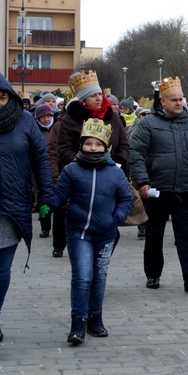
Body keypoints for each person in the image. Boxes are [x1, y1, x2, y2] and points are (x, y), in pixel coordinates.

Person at [49, 119, 132, 344]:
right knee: (83, 276)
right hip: (79, 232)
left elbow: (126, 199)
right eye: (88, 144)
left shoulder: (115, 172)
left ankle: (96, 318)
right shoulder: (72, 170)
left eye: (98, 144)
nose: (93, 148)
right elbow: (58, 196)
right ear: (81, 145)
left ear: (106, 147)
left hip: (105, 234)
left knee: (99, 277)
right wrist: (47, 203)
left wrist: (115, 219)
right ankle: (78, 321)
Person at [0, 69, 54, 354]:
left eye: (1, 97)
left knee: (3, 269)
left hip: (15, 206)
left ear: (10, 97)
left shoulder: (25, 121)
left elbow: (40, 158)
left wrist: (46, 196)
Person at [130, 77, 188, 293]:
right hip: (157, 189)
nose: (178, 103)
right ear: (162, 101)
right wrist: (142, 182)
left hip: (185, 189)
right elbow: (136, 153)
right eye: (173, 99)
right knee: (154, 234)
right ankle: (153, 274)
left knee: (185, 235)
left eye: (180, 99)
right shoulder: (148, 124)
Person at [55, 71, 130, 258]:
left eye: (99, 94)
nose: (99, 98)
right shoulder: (70, 120)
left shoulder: (112, 117)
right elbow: (63, 149)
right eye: (93, 95)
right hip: (82, 176)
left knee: (109, 225)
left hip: (110, 175)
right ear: (82, 100)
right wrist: (80, 165)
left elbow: (123, 144)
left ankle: (100, 258)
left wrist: (119, 162)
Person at [34, 104, 56, 239]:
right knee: (44, 200)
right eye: (43, 117)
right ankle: (45, 227)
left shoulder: (57, 129)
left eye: (48, 116)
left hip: (55, 168)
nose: (46, 120)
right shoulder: (35, 131)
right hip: (40, 170)